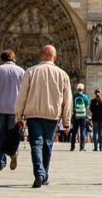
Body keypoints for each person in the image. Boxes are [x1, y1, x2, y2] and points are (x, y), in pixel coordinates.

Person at [14, 44, 72, 188]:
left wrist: (18, 116)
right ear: (55, 57)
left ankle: (39, 173)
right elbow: (67, 99)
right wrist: (66, 120)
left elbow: (21, 96)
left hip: (33, 114)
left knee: (36, 144)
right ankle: (43, 174)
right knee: (47, 145)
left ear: (41, 56)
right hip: (52, 115)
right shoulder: (62, 74)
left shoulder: (30, 71)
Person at [0, 49, 25, 171]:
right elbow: (25, 91)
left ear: (2, 59)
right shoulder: (21, 71)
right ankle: (14, 153)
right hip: (15, 109)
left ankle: (0, 162)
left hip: (1, 107)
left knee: (1, 135)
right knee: (14, 135)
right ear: (13, 59)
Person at [70, 83, 90, 151]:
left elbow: (71, 105)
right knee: (82, 131)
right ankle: (82, 147)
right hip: (82, 116)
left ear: (77, 89)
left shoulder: (74, 96)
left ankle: (72, 146)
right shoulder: (85, 96)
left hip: (75, 115)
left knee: (74, 132)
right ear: (83, 89)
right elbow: (87, 106)